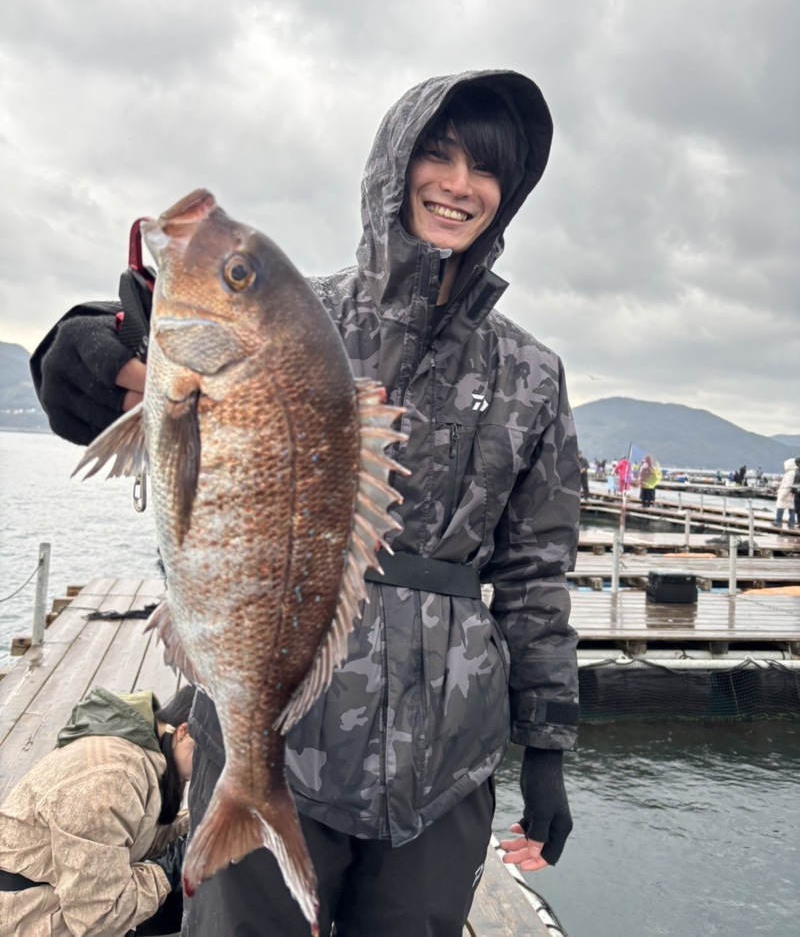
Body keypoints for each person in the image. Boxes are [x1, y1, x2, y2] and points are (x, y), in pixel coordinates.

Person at [30, 70, 580, 936]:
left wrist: (546, 750)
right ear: (394, 167)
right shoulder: (302, 317)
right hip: (282, 732)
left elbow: (537, 577)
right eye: (437, 156)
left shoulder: (534, 374)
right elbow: (127, 376)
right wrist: (95, 351)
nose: (458, 184)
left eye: (486, 170)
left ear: (508, 195)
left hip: (445, 769)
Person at [0, 684, 195, 937]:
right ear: (184, 731)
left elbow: (136, 838)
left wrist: (199, 826)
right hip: (27, 916)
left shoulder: (144, 752)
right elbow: (99, 919)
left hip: (68, 899)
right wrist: (169, 868)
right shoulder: (111, 779)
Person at [774, 457, 800, 529]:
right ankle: (791, 524)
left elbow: (788, 484)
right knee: (791, 508)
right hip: (792, 493)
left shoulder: (789, 474)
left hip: (786, 492)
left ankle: (778, 522)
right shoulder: (796, 472)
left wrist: (783, 494)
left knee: (780, 507)